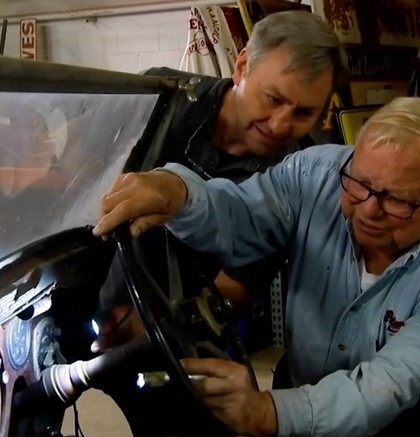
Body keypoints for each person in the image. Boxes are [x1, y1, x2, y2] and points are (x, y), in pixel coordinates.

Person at [92, 96, 420, 437]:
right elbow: (240, 217)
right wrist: (179, 191)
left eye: (397, 200)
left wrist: (265, 412)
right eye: (360, 183)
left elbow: (384, 387)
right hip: (298, 387)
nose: (368, 209)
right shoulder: (318, 174)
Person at [94, 9, 348, 350]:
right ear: (242, 66)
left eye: (304, 113)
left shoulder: (299, 179)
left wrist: (154, 333)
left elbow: (231, 290)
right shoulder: (161, 98)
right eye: (272, 98)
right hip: (80, 296)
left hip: (169, 339)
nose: (279, 124)